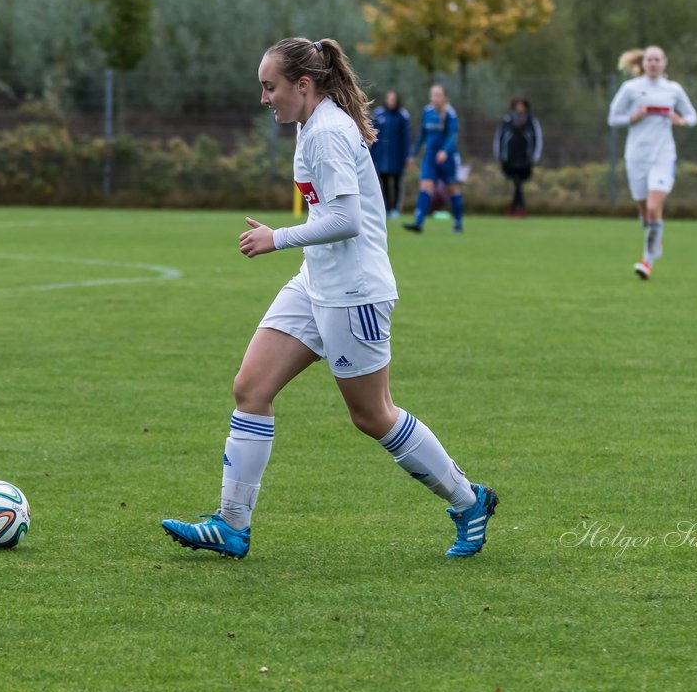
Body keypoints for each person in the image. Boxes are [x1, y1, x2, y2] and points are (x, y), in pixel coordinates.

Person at [160, 37, 498, 560]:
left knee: (372, 414)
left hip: (354, 293)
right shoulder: (310, 125)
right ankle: (231, 525)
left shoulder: (329, 133)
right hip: (314, 283)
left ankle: (467, 499)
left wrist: (278, 237)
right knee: (251, 387)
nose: (264, 97)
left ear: (303, 84)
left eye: (269, 87)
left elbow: (345, 220)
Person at [607, 46, 697, 280]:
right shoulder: (631, 88)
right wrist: (633, 118)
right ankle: (655, 240)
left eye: (658, 59)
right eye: (650, 59)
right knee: (645, 213)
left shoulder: (673, 89)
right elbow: (613, 118)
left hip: (663, 156)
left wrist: (681, 120)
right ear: (643, 63)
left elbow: (692, 116)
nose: (654, 63)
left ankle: (646, 260)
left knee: (653, 207)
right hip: (636, 156)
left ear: (664, 63)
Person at [404, 84, 464, 234]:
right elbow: (422, 136)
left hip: (447, 159)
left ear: (444, 97)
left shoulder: (450, 114)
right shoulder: (427, 112)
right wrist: (413, 153)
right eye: (433, 94)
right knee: (425, 186)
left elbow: (452, 135)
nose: (436, 97)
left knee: (452, 189)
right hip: (430, 157)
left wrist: (445, 151)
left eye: (438, 94)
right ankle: (418, 223)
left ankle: (458, 223)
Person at [493, 97, 542, 217]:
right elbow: (498, 138)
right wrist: (499, 155)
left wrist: (535, 156)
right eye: (517, 105)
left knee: (518, 182)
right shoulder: (506, 120)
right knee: (517, 182)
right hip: (510, 158)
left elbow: (538, 139)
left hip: (525, 159)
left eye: (522, 105)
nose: (520, 108)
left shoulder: (531, 121)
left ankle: (515, 208)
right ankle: (520, 208)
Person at [370, 90, 412, 219]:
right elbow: (372, 135)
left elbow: (406, 138)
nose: (391, 101)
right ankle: (387, 208)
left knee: (396, 183)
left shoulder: (402, 115)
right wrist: (372, 155)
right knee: (384, 183)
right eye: (389, 98)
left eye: (393, 99)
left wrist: (407, 156)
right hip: (382, 158)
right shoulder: (378, 114)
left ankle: (395, 209)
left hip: (397, 157)